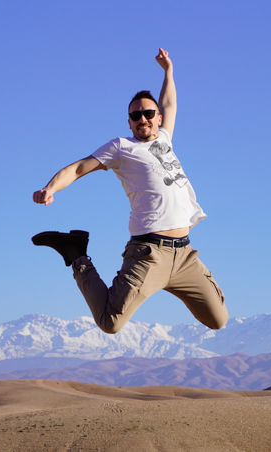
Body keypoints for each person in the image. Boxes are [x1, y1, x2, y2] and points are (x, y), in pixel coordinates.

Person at [31, 48, 228, 334]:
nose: (142, 119)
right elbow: (78, 168)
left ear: (157, 118)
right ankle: (76, 255)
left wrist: (168, 71)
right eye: (136, 116)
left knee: (218, 319)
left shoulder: (164, 137)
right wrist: (50, 188)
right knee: (110, 322)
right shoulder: (121, 148)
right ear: (129, 122)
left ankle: (170, 283)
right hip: (149, 253)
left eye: (149, 113)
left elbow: (170, 104)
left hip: (185, 255)